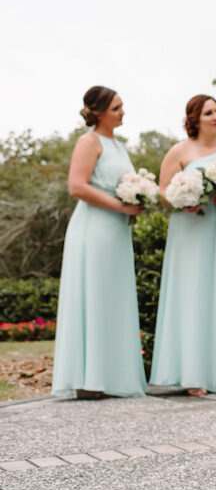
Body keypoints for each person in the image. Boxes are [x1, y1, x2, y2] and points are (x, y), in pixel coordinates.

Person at [149, 95, 216, 396]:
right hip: (190, 230)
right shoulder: (179, 151)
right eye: (209, 112)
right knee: (192, 294)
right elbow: (162, 191)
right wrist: (184, 201)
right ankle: (193, 375)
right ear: (195, 119)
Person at [52, 86, 148, 399]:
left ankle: (111, 377)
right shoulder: (89, 142)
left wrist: (138, 198)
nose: (123, 112)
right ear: (99, 112)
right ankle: (88, 381)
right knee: (93, 296)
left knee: (112, 298)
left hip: (117, 233)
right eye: (117, 107)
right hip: (93, 230)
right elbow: (77, 186)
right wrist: (122, 206)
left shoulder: (118, 146)